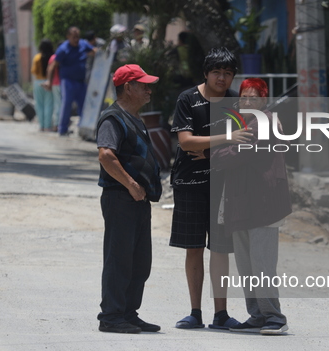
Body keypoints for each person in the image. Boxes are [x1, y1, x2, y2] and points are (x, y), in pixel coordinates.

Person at [169, 47, 252, 330]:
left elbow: (244, 142)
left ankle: (221, 314)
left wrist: (212, 146)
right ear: (206, 73)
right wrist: (226, 137)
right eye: (216, 72)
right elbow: (186, 142)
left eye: (228, 73)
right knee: (193, 248)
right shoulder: (187, 99)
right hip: (189, 184)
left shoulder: (236, 103)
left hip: (224, 186)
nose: (222, 78)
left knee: (220, 249)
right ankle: (195, 312)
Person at [211, 78, 292, 335]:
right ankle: (257, 315)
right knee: (247, 265)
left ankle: (274, 317)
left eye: (253, 98)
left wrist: (219, 150)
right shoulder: (241, 123)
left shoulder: (265, 122)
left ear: (264, 101)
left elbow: (233, 155)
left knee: (262, 264)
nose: (247, 102)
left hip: (263, 205)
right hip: (242, 204)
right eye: (244, 97)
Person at [96, 64, 162, 334]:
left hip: (138, 200)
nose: (149, 89)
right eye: (143, 84)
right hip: (120, 197)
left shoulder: (134, 118)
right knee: (119, 258)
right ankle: (111, 316)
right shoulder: (113, 118)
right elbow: (106, 156)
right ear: (128, 88)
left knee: (139, 260)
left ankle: (128, 313)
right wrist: (132, 184)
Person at [43, 27, 95, 136]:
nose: (76, 39)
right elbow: (52, 66)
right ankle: (62, 129)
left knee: (84, 106)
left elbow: (94, 51)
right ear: (68, 37)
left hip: (81, 81)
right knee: (67, 105)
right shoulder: (63, 49)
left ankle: (83, 129)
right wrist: (49, 81)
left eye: (77, 37)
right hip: (68, 82)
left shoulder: (83, 44)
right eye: (74, 37)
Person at [31, 39, 55, 131]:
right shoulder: (52, 57)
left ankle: (41, 126)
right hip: (49, 82)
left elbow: (33, 71)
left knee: (39, 104)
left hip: (38, 82)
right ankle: (47, 126)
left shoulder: (37, 57)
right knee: (49, 104)